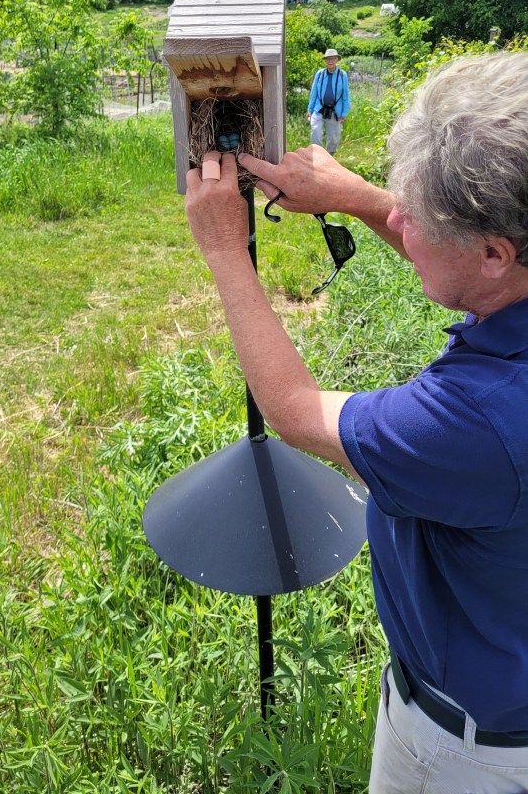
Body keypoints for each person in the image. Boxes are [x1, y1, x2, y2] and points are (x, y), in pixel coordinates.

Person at [185, 50, 528, 793]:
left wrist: (223, 252)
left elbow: (297, 414)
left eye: (414, 216)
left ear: (496, 253)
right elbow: (470, 270)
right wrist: (357, 197)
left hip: (475, 750)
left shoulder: (481, 420)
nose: (397, 217)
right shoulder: (514, 293)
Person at [307, 47, 351, 154]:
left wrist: (345, 112)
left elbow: (346, 95)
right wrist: (310, 109)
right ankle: (318, 155)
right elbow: (314, 93)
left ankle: (330, 156)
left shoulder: (342, 75)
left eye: (333, 58)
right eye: (328, 59)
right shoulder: (320, 74)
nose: (330, 61)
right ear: (325, 61)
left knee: (333, 137)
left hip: (335, 110)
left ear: (337, 60)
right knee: (315, 132)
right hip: (319, 108)